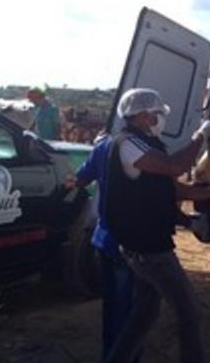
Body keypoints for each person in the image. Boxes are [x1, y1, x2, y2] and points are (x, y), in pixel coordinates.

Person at [104, 88, 210, 363]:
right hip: (147, 247)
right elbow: (173, 167)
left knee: (145, 313)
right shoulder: (129, 143)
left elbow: (175, 189)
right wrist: (200, 135)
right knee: (189, 312)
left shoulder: (147, 144)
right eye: (158, 114)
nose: (161, 119)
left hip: (145, 244)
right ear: (144, 115)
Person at [75, 131, 139, 362]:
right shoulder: (140, 149)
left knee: (112, 305)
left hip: (104, 238)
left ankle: (110, 354)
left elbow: (79, 179)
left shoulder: (102, 148)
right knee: (131, 308)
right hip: (129, 242)